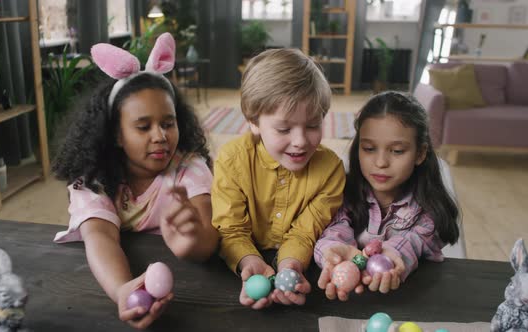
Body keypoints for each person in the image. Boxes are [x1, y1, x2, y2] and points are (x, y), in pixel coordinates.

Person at [52, 33, 218, 329]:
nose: (160, 136)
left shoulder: (188, 168)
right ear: (116, 134)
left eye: (168, 123)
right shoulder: (94, 178)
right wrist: (120, 289)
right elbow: (100, 236)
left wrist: (192, 240)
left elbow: (206, 238)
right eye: (143, 127)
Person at [211, 48, 346, 310]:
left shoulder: (330, 170)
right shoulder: (231, 160)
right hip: (237, 264)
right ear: (254, 122)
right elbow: (230, 229)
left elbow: (306, 233)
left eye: (313, 125)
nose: (300, 141)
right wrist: (249, 261)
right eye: (284, 129)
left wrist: (291, 265)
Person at [314, 91, 460, 301]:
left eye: (397, 151)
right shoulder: (342, 190)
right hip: (348, 301)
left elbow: (415, 240)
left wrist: (392, 255)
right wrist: (332, 253)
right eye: (369, 148)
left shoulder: (429, 209)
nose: (381, 162)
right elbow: (334, 229)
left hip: (411, 302)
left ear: (420, 153)